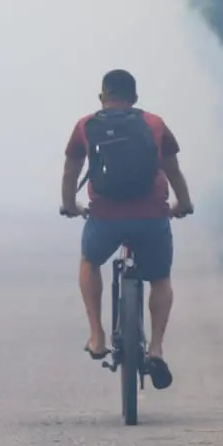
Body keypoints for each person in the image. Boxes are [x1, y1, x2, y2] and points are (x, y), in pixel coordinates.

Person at [60, 69, 193, 390]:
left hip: (105, 217)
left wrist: (70, 205)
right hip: (151, 216)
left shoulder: (86, 126)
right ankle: (157, 349)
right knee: (159, 278)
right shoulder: (155, 125)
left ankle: (97, 335)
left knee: (90, 262)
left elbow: (71, 170)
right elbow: (172, 169)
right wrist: (183, 204)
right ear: (134, 99)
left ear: (102, 97)